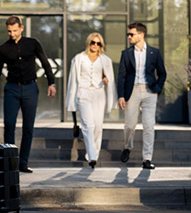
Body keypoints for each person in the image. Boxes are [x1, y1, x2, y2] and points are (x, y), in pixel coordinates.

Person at [0, 15, 56, 173]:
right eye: (9, 31)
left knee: (28, 127)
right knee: (9, 125)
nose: (12, 34)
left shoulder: (32, 43)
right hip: (12, 89)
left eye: (15, 31)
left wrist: (52, 83)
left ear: (21, 28)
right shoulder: (3, 49)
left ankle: (23, 163)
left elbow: (45, 63)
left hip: (30, 89)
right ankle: (10, 164)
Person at [117, 22, 167, 169]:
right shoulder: (126, 54)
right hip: (132, 91)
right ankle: (127, 147)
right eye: (129, 34)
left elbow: (162, 73)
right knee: (130, 125)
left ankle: (147, 159)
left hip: (149, 92)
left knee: (149, 126)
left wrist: (157, 88)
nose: (129, 37)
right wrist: (121, 95)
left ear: (141, 35)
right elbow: (121, 76)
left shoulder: (154, 53)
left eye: (131, 34)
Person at [65, 33, 118, 168]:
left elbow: (110, 78)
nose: (95, 45)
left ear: (101, 45)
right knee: (88, 126)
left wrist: (106, 79)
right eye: (93, 42)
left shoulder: (105, 60)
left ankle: (94, 154)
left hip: (99, 94)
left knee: (98, 126)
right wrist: (71, 100)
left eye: (98, 43)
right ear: (88, 43)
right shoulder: (79, 58)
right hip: (83, 93)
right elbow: (73, 80)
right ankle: (92, 156)